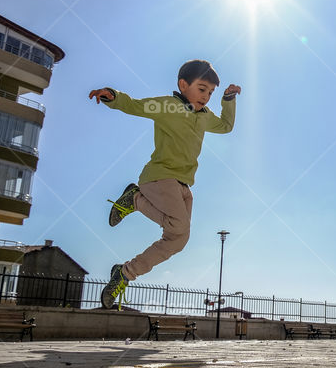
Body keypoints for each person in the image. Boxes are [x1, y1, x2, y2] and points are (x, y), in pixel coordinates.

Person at [88, 59, 241, 309]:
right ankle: (135, 199)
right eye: (202, 89)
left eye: (210, 92)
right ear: (183, 85)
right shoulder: (168, 106)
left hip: (182, 185)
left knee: (178, 239)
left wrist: (228, 100)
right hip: (159, 177)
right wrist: (113, 97)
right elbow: (136, 106)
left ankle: (125, 273)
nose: (206, 97)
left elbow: (225, 126)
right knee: (179, 225)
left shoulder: (205, 117)